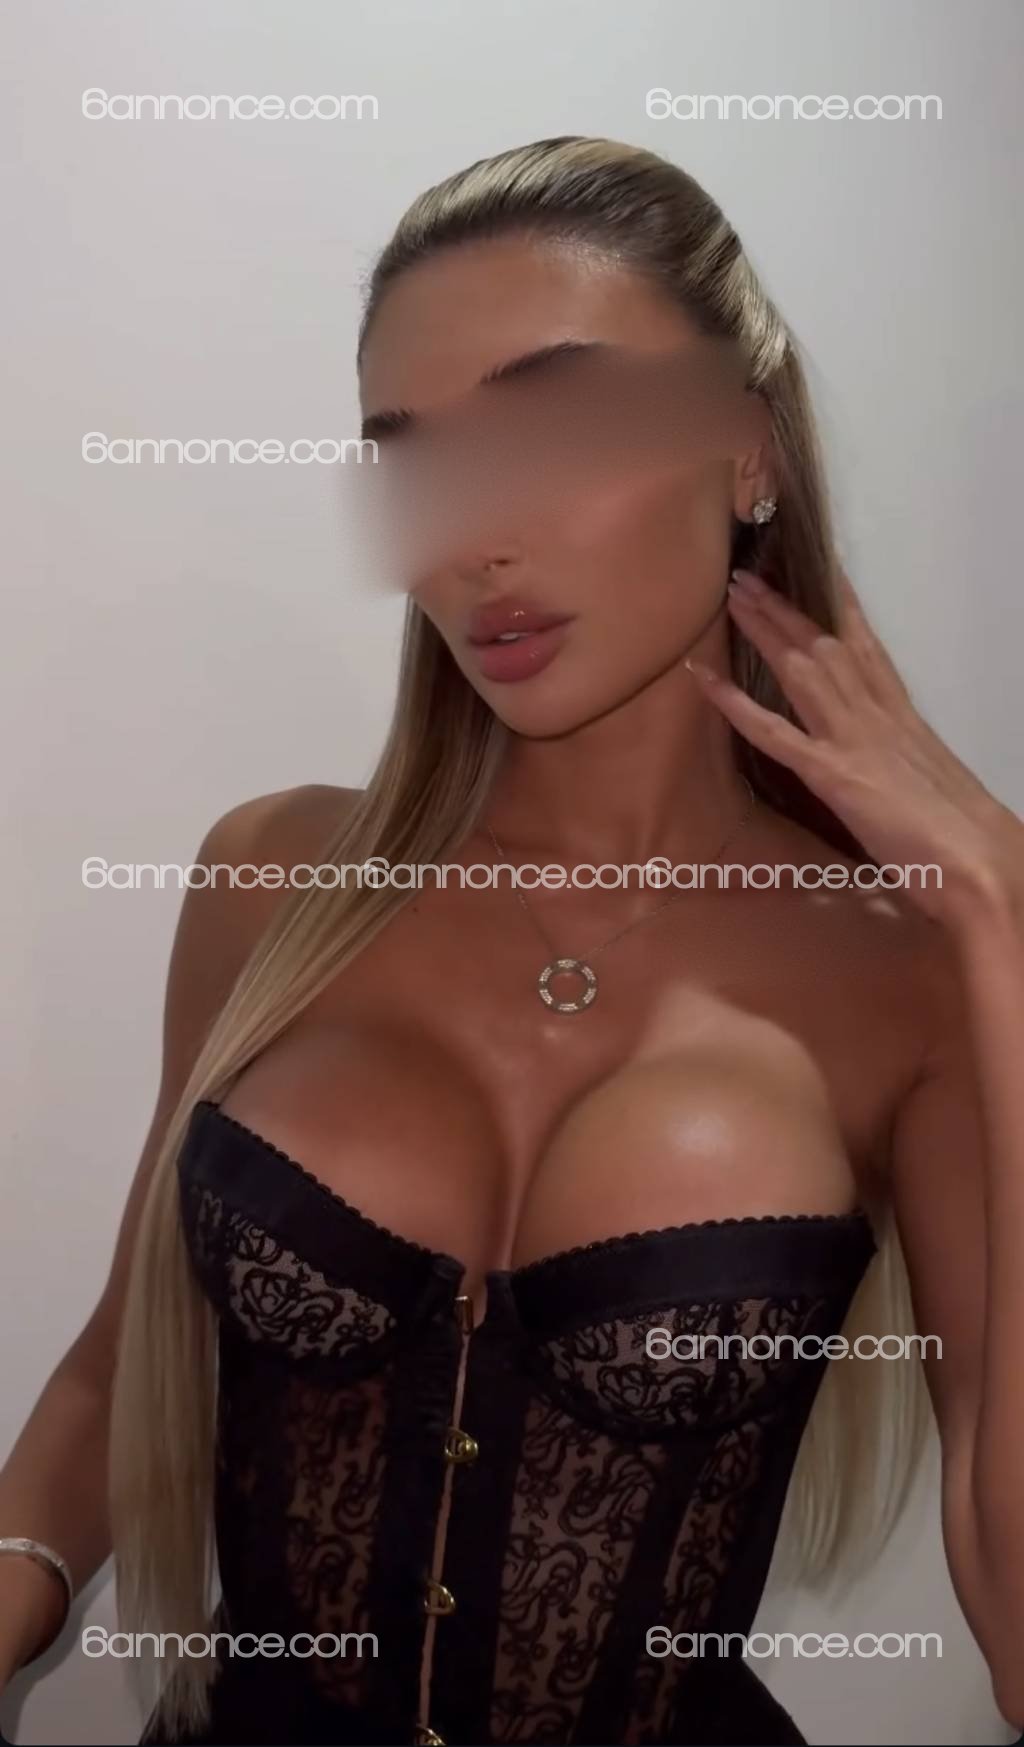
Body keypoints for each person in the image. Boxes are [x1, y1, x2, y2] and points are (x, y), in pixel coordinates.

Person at [2, 135, 1022, 1747]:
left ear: (747, 451)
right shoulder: (277, 882)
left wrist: (1004, 919)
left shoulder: (914, 978)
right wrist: (16, 1584)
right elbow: (110, 1373)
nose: (472, 536)